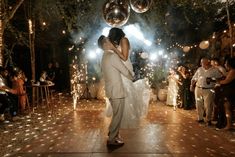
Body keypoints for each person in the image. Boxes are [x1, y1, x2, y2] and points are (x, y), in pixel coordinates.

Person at [107, 27, 150, 127]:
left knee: (126, 91)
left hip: (125, 67)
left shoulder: (124, 40)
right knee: (120, 91)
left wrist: (113, 49)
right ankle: (119, 116)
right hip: (119, 67)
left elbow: (125, 57)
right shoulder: (119, 41)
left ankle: (127, 117)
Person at [98, 35, 133, 146]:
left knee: (116, 115)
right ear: (105, 44)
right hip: (117, 91)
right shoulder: (112, 56)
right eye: (109, 41)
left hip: (111, 91)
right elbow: (124, 70)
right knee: (118, 116)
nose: (112, 43)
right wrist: (132, 77)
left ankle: (112, 133)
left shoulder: (104, 57)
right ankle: (112, 140)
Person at [190, 57, 222, 126]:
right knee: (198, 104)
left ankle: (208, 120)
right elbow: (194, 78)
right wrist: (191, 86)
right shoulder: (199, 69)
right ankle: (200, 118)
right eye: (201, 62)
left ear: (207, 62)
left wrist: (212, 79)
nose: (201, 64)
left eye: (202, 62)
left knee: (208, 105)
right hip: (198, 88)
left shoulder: (214, 70)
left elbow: (220, 78)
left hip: (209, 89)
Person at [214, 57, 235, 130]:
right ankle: (229, 124)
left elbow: (227, 81)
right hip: (229, 91)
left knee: (227, 108)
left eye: (226, 63)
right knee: (228, 108)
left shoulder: (233, 71)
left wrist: (218, 82)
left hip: (230, 92)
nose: (225, 64)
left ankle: (229, 125)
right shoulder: (231, 71)